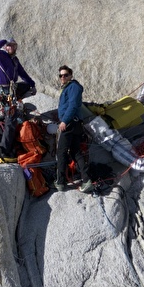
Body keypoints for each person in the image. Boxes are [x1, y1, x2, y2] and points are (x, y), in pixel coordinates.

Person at [54, 65, 93, 193]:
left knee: (61, 152)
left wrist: (64, 121)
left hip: (70, 123)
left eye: (65, 75)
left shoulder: (73, 87)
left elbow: (73, 105)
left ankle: (60, 182)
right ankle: (86, 180)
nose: (63, 77)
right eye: (61, 75)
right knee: (75, 152)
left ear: (71, 75)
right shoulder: (69, 87)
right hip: (74, 124)